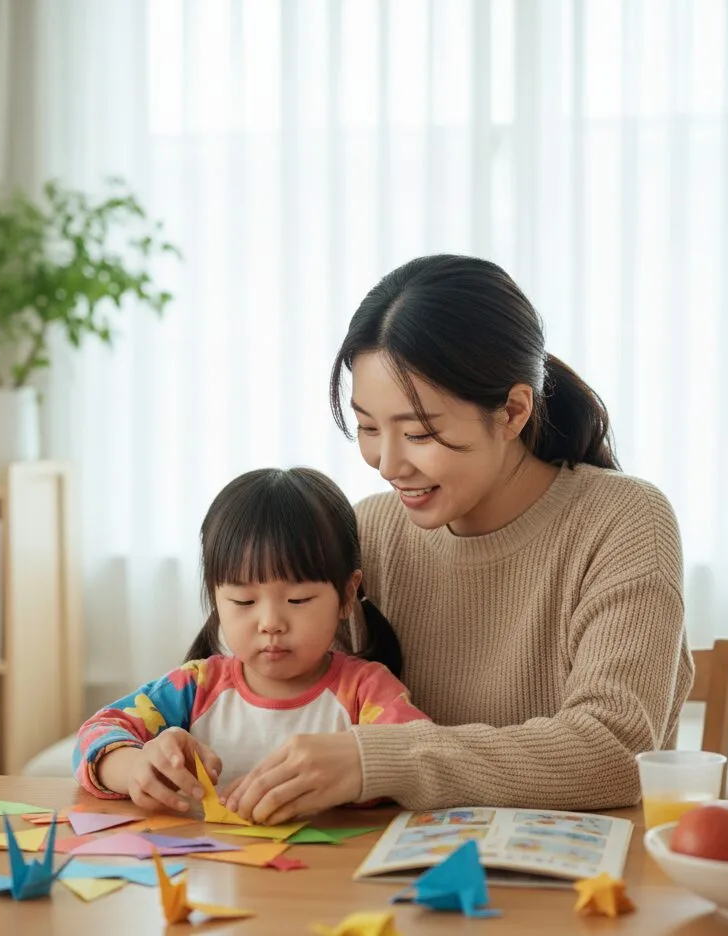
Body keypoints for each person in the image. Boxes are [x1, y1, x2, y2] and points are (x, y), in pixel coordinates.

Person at [222, 255, 694, 825]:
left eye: (419, 432)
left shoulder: (623, 521)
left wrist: (383, 759)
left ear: (514, 411)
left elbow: (614, 751)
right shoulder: (368, 531)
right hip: (383, 878)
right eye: (369, 427)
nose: (387, 463)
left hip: (571, 888)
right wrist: (157, 746)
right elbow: (246, 689)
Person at [72, 466, 429, 811]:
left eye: (298, 600)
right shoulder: (194, 688)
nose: (271, 623)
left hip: (326, 871)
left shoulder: (366, 691)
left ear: (347, 595)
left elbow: (420, 759)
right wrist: (135, 768)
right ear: (216, 598)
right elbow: (95, 736)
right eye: (244, 601)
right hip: (210, 870)